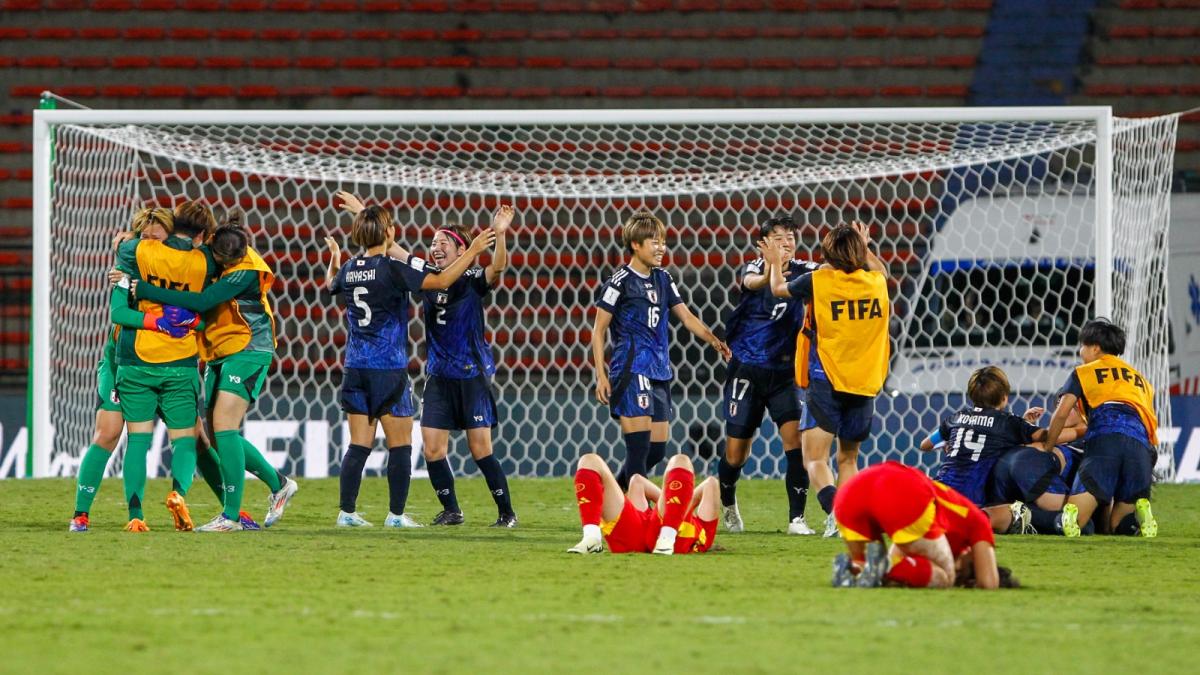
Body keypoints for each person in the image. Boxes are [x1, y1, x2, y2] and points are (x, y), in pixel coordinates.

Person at [335, 192, 518, 527]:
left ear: (462, 249)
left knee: (480, 449)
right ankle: (452, 510)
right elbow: (390, 248)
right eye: (433, 241)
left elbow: (498, 267)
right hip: (438, 374)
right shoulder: (427, 274)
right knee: (432, 449)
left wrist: (500, 235)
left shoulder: (473, 279)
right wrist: (365, 214)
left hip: (471, 373)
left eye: (443, 242)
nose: (435, 247)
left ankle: (506, 513)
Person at [132, 214, 298, 532]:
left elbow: (204, 299)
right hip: (220, 351)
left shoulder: (246, 269)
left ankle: (231, 517)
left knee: (224, 428)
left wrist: (148, 290)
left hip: (250, 349)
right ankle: (279, 484)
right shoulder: (212, 249)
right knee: (220, 438)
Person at [591, 210, 731, 491]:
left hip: (659, 370)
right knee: (639, 450)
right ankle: (635, 516)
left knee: (656, 450)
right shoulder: (619, 281)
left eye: (662, 241)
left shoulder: (663, 279)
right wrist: (601, 375)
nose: (661, 248)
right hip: (631, 369)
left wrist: (714, 339)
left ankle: (610, 495)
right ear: (635, 244)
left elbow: (687, 316)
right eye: (654, 242)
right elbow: (598, 329)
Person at [767, 221, 890, 537]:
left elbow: (778, 289)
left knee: (814, 459)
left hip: (827, 379)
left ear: (828, 254)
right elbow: (883, 273)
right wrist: (865, 247)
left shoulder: (819, 281)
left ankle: (837, 513)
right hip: (864, 382)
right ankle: (847, 515)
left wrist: (773, 263)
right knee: (848, 458)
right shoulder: (876, 284)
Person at [71, 208, 189, 531]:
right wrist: (158, 323)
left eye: (157, 237)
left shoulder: (182, 266)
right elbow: (118, 313)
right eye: (144, 237)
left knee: (197, 437)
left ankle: (229, 512)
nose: (150, 243)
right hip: (122, 361)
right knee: (109, 432)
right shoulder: (127, 267)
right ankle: (81, 513)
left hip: (168, 364)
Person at [109, 201, 218, 532]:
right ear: (200, 233)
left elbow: (118, 308)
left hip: (138, 358)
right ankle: (178, 493)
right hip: (181, 360)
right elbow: (206, 317)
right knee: (185, 439)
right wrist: (191, 320)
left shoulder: (136, 252)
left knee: (138, 441)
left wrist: (126, 243)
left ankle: (135, 516)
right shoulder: (205, 261)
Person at [717, 214, 820, 535]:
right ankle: (729, 505)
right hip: (746, 371)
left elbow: (834, 273)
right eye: (778, 237)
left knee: (796, 444)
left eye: (790, 236)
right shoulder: (753, 268)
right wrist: (772, 266)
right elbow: (755, 284)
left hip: (784, 374)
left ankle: (796, 519)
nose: (787, 242)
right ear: (763, 245)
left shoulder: (806, 270)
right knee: (736, 453)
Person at [919, 365, 1084, 533]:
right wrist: (1083, 430)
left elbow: (925, 445)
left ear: (971, 395)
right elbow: (1048, 436)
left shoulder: (955, 417)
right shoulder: (1008, 422)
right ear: (1004, 398)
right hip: (973, 501)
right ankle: (1057, 521)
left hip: (937, 493)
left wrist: (948, 444)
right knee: (1014, 510)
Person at [1043, 319, 1159, 537]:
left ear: (1094, 347)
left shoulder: (1085, 372)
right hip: (1140, 448)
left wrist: (1049, 446)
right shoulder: (1142, 380)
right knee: (1119, 528)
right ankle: (1140, 513)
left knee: (1074, 522)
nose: (1080, 351)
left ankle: (1072, 516)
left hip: (1105, 442)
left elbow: (1061, 413)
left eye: (1082, 346)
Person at [830, 461, 1009, 589]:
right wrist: (959, 578)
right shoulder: (977, 521)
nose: (958, 566)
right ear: (970, 552)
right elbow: (989, 583)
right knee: (945, 578)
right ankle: (879, 569)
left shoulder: (929, 530)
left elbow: (897, 556)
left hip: (849, 494)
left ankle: (853, 569)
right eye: (966, 567)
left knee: (869, 567)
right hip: (904, 489)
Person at [567, 452, 719, 555]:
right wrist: (677, 502)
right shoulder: (697, 526)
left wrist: (680, 502)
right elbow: (637, 481)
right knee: (589, 460)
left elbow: (711, 484)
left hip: (669, 535)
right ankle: (591, 538)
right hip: (642, 531)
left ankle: (667, 538)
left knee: (681, 460)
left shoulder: (704, 532)